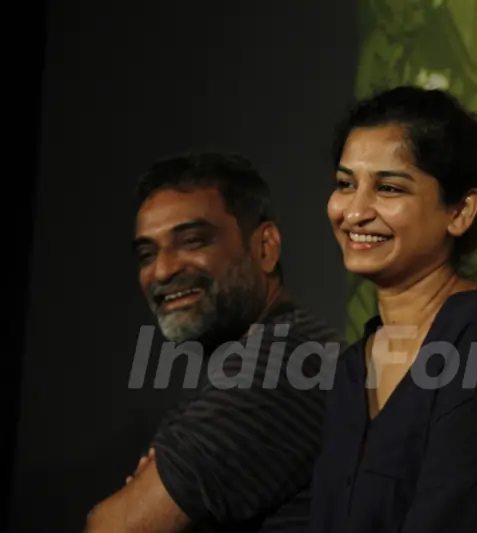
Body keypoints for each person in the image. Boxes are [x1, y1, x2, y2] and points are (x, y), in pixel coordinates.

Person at [309, 86, 477, 533]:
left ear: (460, 212)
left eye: (388, 188)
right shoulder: (350, 369)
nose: (354, 212)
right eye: (345, 184)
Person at [84, 152, 344, 532]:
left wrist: (148, 493)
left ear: (265, 248)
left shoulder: (285, 364)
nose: (163, 270)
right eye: (147, 254)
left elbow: (113, 527)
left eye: (192, 241)